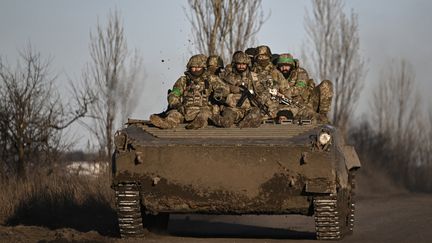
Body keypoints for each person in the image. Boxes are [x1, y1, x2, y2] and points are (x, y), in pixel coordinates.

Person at [149, 54, 228, 129]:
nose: (195, 69)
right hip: (185, 110)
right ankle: (165, 123)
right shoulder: (183, 80)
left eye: (198, 67)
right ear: (189, 67)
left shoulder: (211, 79)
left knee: (204, 115)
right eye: (193, 67)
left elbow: (224, 88)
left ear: (204, 67)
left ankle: (198, 123)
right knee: (174, 115)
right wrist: (176, 104)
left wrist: (219, 92)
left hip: (205, 109)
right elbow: (174, 93)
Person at [275, 53, 333, 122]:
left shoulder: (301, 72)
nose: (284, 68)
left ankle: (323, 115)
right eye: (282, 66)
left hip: (308, 102)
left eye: (287, 66)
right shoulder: (277, 75)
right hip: (288, 106)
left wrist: (283, 93)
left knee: (326, 84)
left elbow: (299, 88)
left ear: (292, 65)